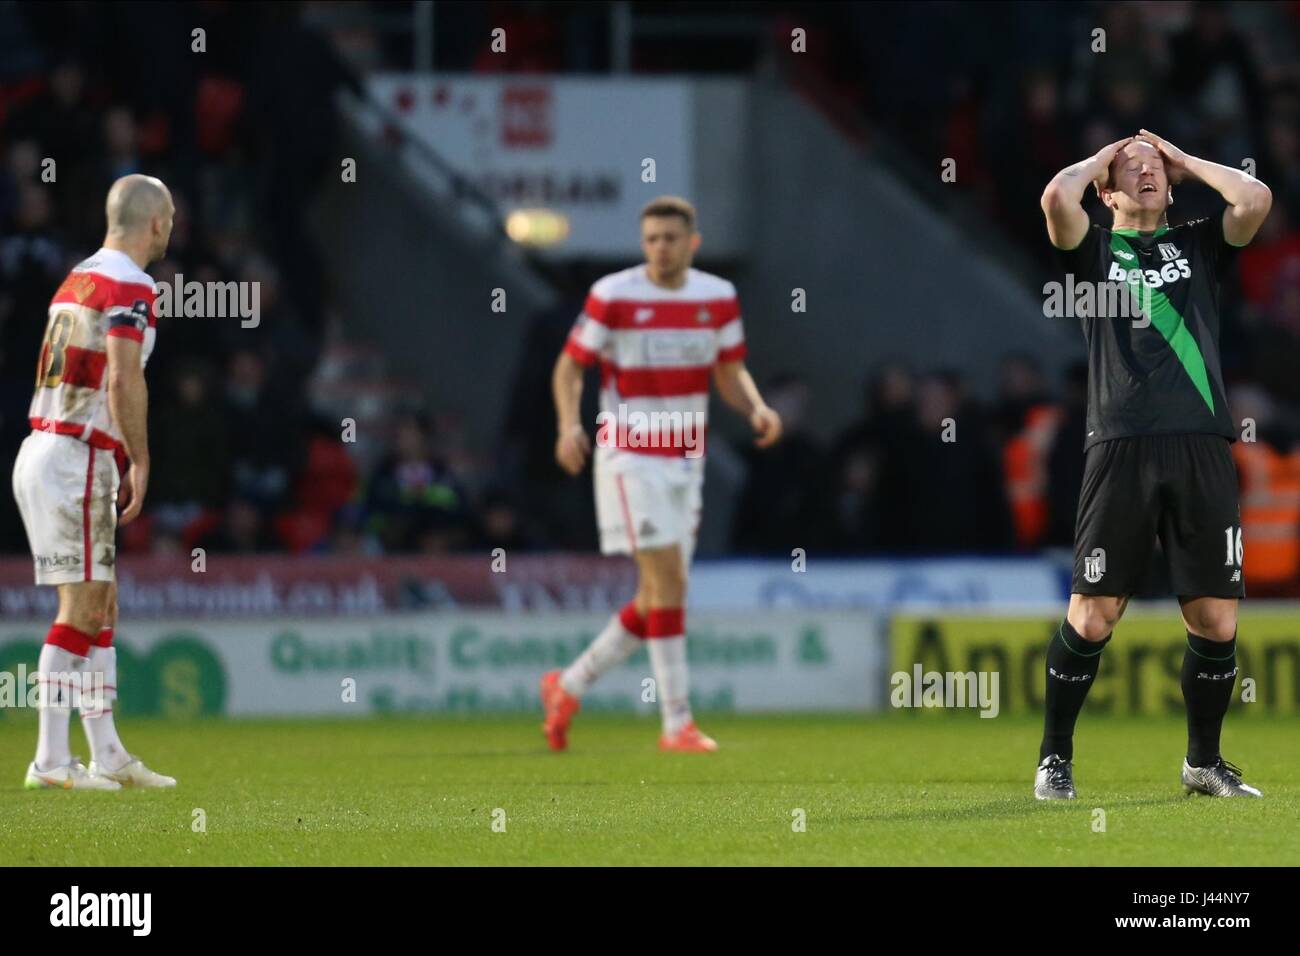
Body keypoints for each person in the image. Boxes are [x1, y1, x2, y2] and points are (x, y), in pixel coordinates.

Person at [1036, 131, 1272, 798]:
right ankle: (1055, 758)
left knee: (1215, 620)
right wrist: (1103, 154)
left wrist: (1186, 161)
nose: (1147, 173)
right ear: (1106, 191)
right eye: (1131, 169)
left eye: (1155, 168)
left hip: (1201, 442)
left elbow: (1255, 197)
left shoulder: (1199, 244)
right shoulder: (1093, 252)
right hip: (1120, 443)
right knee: (1093, 614)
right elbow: (1057, 195)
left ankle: (1203, 763)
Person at [540, 196, 782, 752]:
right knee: (669, 583)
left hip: (685, 458)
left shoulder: (716, 297)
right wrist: (565, 425)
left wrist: (757, 408)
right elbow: (571, 365)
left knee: (659, 594)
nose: (660, 247)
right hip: (630, 454)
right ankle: (677, 723)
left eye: (671, 238)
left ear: (692, 242)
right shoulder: (614, 294)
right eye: (651, 238)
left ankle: (567, 684)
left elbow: (729, 372)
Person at [13, 174, 178, 790]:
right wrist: (140, 458)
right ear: (155, 223)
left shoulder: (79, 275)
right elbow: (122, 377)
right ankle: (51, 760)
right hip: (75, 454)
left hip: (55, 447)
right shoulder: (133, 284)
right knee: (81, 608)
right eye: (170, 219)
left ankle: (107, 752)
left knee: (101, 605)